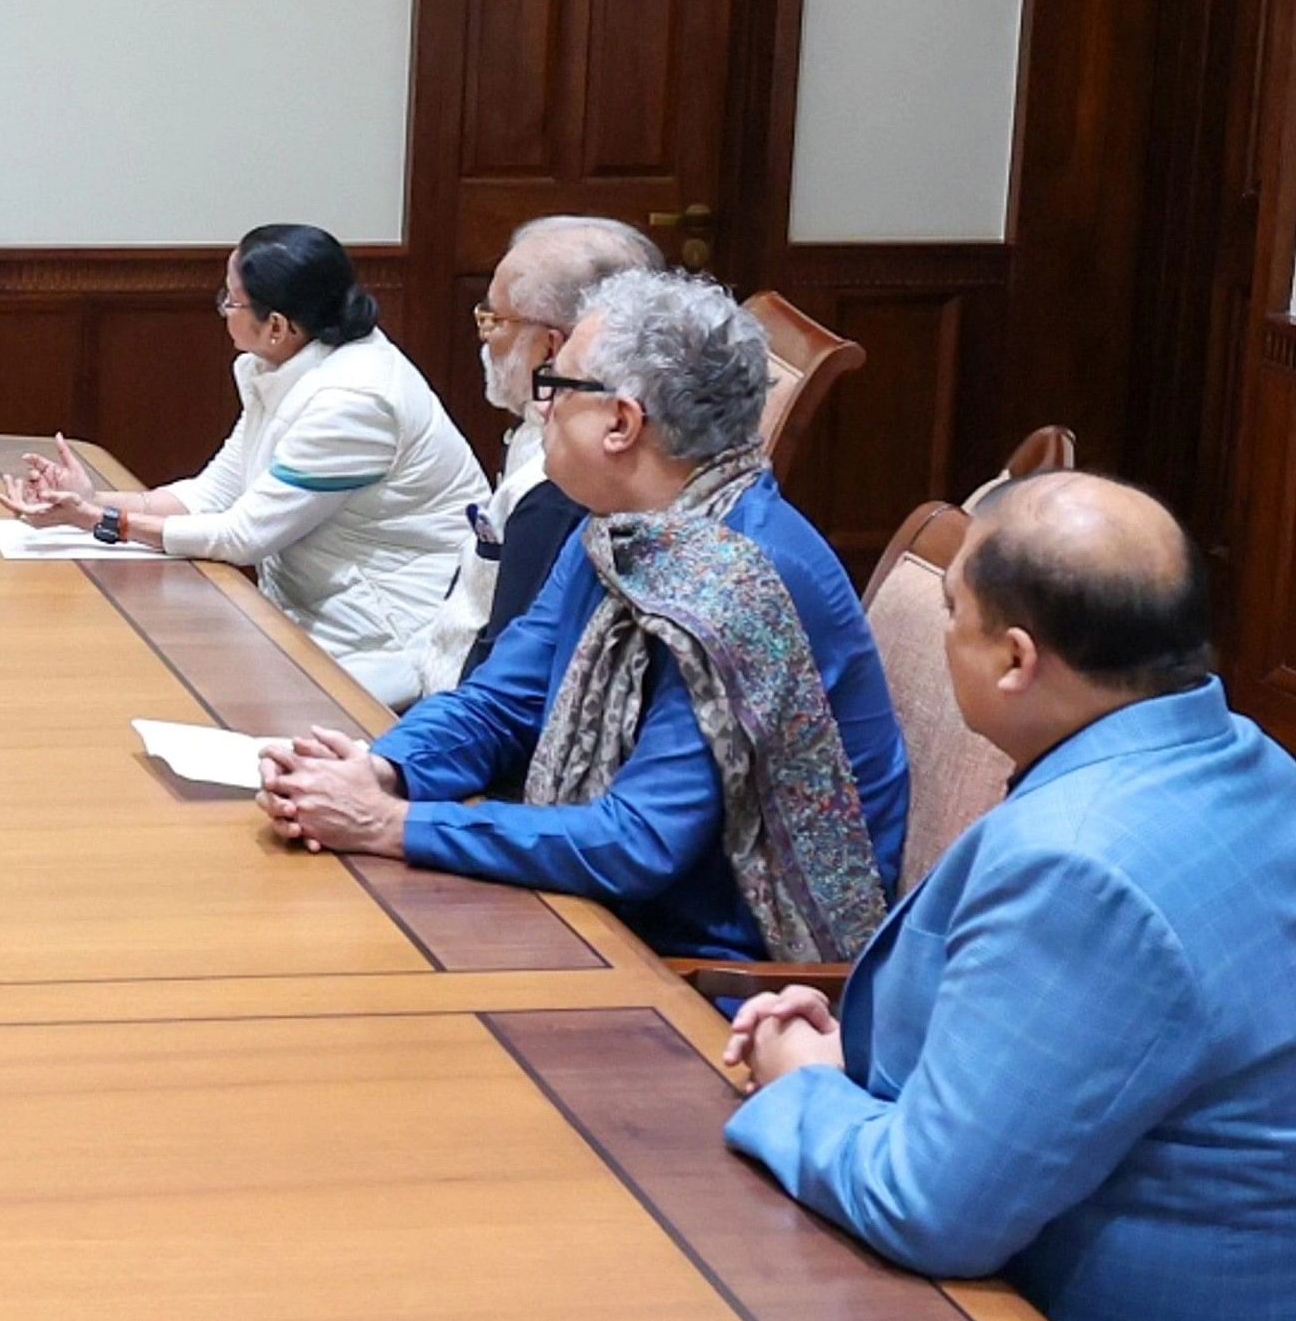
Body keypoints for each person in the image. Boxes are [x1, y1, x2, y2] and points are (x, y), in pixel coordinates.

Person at [720, 474, 1296, 1321]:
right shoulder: (1244, 759)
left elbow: (928, 1209)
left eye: (952, 612)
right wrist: (853, 1064)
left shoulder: (1083, 865)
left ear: (1013, 659)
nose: (943, 632)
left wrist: (804, 1085)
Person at [256, 269, 908, 963]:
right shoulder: (622, 525)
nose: (540, 408)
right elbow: (502, 703)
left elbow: (639, 844)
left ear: (621, 423)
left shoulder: (733, 587)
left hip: (724, 970)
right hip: (610, 910)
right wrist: (383, 771)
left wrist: (394, 825)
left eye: (556, 387)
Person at [0, 226, 487, 705]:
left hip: (388, 643)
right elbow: (216, 493)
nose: (222, 310)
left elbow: (242, 538)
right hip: (314, 620)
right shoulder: (283, 367)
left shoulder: (353, 400)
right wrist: (91, 501)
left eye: (230, 300)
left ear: (276, 325)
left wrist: (105, 522)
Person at [410, 216, 661, 694]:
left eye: (495, 320)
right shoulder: (537, 430)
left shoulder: (565, 482)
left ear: (552, 348)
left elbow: (508, 674)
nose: (484, 337)